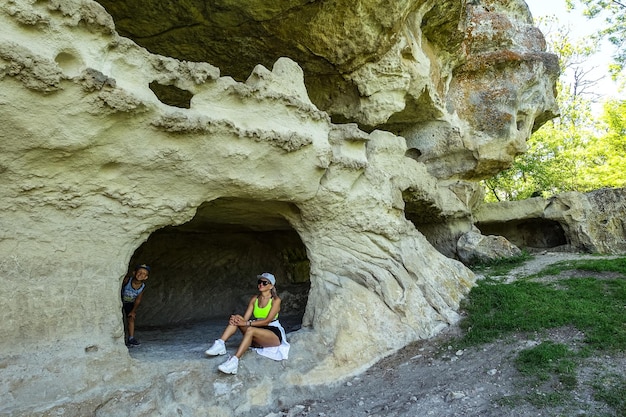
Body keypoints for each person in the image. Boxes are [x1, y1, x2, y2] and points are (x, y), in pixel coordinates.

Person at [205, 272, 290, 375]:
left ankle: (234, 361)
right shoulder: (255, 299)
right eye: (260, 282)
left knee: (250, 329)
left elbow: (267, 321)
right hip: (257, 329)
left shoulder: (276, 300)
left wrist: (247, 323)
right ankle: (220, 344)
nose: (261, 284)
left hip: (272, 331)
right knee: (237, 318)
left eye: (264, 283)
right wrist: (237, 320)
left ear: (271, 286)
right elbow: (244, 319)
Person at [121, 264, 150, 347]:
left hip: (129, 303)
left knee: (131, 318)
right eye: (139, 272)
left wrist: (133, 311)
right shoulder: (127, 280)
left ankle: (131, 338)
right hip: (120, 300)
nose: (141, 274)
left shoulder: (142, 287)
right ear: (134, 273)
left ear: (146, 277)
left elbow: (138, 299)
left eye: (144, 274)